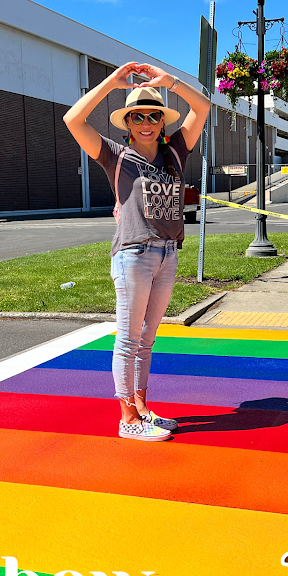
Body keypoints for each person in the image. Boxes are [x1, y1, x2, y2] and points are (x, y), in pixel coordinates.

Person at [64, 62, 210, 441]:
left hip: (168, 254)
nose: (146, 122)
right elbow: (72, 120)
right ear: (127, 123)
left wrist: (170, 82)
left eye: (153, 115)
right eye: (137, 116)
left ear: (162, 122)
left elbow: (204, 107)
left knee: (148, 338)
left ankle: (142, 407)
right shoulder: (115, 156)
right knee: (128, 339)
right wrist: (112, 83)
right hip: (134, 255)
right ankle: (126, 417)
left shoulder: (175, 152)